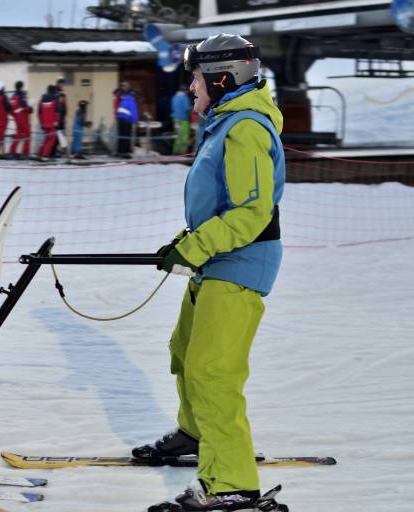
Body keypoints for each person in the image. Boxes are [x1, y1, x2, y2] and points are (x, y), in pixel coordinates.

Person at [137, 33, 285, 512]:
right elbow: (220, 203)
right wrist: (187, 244)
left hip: (239, 263)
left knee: (213, 374)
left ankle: (231, 485)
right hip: (216, 258)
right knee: (185, 352)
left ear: (224, 77)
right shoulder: (225, 123)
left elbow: (251, 212)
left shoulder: (246, 128)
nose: (192, 88)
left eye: (197, 79)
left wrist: (197, 247)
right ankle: (195, 434)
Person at [113, 81, 138, 158]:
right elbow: (133, 111)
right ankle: (125, 152)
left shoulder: (123, 99)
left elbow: (117, 106)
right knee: (126, 136)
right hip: (127, 119)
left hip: (121, 118)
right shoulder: (131, 100)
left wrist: (116, 114)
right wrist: (136, 121)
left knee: (121, 135)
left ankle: (120, 151)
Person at [8, 81, 32, 159]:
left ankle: (12, 152)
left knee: (18, 136)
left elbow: (11, 110)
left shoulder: (12, 97)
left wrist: (15, 116)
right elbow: (25, 107)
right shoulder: (21, 96)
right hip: (24, 119)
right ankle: (25, 154)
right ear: (22, 87)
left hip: (17, 120)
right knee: (27, 136)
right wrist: (30, 109)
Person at [37, 85, 59, 160]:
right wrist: (56, 121)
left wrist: (41, 123)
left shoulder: (42, 99)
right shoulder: (54, 99)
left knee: (46, 139)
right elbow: (56, 112)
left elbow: (39, 113)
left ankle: (40, 153)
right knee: (51, 140)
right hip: (52, 124)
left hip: (44, 124)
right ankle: (45, 155)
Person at [171, 88, 192, 155]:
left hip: (176, 119)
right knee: (184, 135)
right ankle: (183, 152)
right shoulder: (185, 98)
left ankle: (176, 151)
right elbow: (187, 108)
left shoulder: (174, 97)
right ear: (185, 91)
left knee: (177, 135)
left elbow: (172, 108)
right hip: (183, 119)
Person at [52, 77, 68, 156]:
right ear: (58, 83)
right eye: (61, 83)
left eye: (63, 84)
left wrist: (64, 116)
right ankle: (54, 151)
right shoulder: (57, 93)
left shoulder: (61, 92)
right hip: (58, 117)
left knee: (59, 135)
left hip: (61, 117)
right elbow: (58, 106)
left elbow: (63, 105)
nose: (62, 85)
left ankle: (57, 151)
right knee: (56, 135)